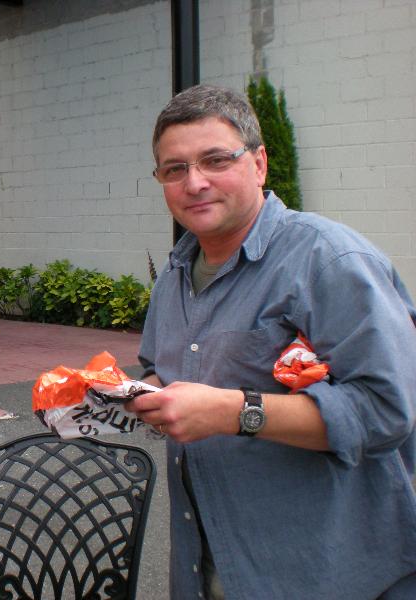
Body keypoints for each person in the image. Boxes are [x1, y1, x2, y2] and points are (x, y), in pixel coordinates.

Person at [127, 84, 416, 600]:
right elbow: (157, 367)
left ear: (259, 164)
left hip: (326, 572)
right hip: (208, 560)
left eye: (215, 160)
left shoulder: (329, 261)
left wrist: (234, 412)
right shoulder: (173, 276)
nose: (194, 182)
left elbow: (387, 409)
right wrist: (139, 393)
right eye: (174, 169)